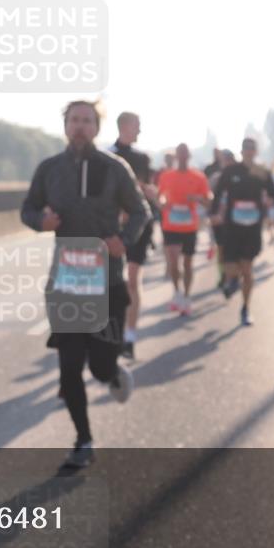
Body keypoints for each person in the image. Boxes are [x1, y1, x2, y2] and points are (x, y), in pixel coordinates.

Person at [22, 101, 150, 470]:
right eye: (74, 120)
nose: (80, 126)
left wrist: (123, 239)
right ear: (65, 125)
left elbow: (141, 211)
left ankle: (112, 372)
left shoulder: (114, 168)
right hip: (66, 282)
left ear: (97, 127)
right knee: (69, 367)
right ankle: (83, 440)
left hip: (107, 281)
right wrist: (40, 222)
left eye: (87, 121)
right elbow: (27, 209)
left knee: (99, 367)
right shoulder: (49, 169)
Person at [209, 138, 274, 326]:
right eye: (246, 148)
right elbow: (218, 194)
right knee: (230, 267)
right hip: (232, 226)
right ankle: (232, 280)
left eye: (252, 148)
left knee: (247, 269)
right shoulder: (231, 171)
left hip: (252, 227)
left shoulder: (261, 171)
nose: (248, 151)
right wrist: (214, 214)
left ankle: (245, 308)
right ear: (241, 150)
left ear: (256, 151)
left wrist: (269, 201)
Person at [109, 112, 158, 361]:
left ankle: (129, 336)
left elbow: (148, 193)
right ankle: (112, 333)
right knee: (112, 283)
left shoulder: (142, 158)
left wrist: (149, 192)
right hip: (112, 229)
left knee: (132, 280)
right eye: (137, 126)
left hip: (138, 227)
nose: (139, 130)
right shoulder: (107, 157)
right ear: (125, 126)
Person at [157, 143, 210, 316]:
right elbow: (160, 196)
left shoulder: (198, 177)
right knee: (173, 261)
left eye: (185, 153)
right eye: (180, 153)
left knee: (187, 263)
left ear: (189, 156)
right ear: (176, 156)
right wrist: (163, 203)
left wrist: (197, 198)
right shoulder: (166, 176)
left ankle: (186, 296)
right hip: (171, 225)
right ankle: (177, 292)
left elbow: (208, 199)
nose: (182, 157)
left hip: (189, 226)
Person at [207, 148, 236, 288]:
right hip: (218, 221)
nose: (227, 163)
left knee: (234, 249)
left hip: (235, 220)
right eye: (225, 160)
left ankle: (234, 276)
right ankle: (223, 275)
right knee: (221, 250)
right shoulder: (215, 178)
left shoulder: (240, 178)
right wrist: (212, 216)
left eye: (230, 160)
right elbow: (209, 198)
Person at [203, 148, 224, 260]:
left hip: (225, 207)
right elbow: (204, 185)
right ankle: (212, 245)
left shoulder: (227, 168)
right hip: (213, 204)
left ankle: (215, 247)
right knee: (213, 231)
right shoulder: (209, 168)